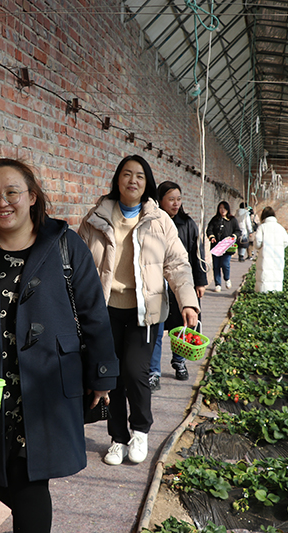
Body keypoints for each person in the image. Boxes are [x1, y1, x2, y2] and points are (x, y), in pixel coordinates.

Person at [0, 158, 119, 533]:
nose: (2, 202)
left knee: (30, 482)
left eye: (12, 192)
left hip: (47, 382)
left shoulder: (65, 244)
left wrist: (102, 375)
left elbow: (93, 312)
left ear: (33, 196)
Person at [79, 155, 199, 467]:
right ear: (117, 179)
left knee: (135, 372)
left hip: (144, 312)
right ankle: (118, 438)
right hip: (105, 310)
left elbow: (177, 264)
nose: (133, 180)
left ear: (147, 184)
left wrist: (188, 302)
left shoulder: (159, 220)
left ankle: (141, 430)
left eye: (140, 176)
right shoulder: (96, 217)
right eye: (127, 174)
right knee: (111, 376)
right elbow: (78, 265)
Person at [148, 181, 208, 387]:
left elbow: (197, 254)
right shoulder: (152, 222)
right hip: (157, 285)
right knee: (156, 329)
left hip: (181, 283)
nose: (176, 203)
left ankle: (179, 361)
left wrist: (200, 282)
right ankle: (153, 372)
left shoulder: (188, 224)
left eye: (178, 199)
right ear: (160, 200)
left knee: (182, 325)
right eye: (171, 199)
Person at [206, 201, 241, 292]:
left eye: (224, 208)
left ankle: (227, 278)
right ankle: (217, 284)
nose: (222, 210)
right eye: (221, 208)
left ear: (227, 209)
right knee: (216, 265)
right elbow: (209, 230)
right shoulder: (215, 219)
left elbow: (238, 231)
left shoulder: (232, 220)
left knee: (225, 264)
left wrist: (233, 236)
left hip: (227, 247)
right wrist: (211, 237)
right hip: (216, 247)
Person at [253, 206, 288, 293]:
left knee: (265, 273)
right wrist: (279, 247)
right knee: (276, 273)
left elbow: (258, 242)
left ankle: (263, 292)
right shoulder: (280, 227)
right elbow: (286, 241)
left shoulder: (262, 227)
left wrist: (260, 247)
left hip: (265, 255)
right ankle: (276, 292)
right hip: (278, 255)